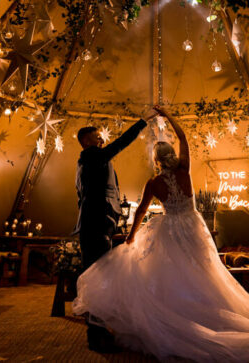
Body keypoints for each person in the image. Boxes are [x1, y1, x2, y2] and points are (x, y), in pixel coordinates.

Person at [73, 105, 249, 362]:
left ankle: (180, 311)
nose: (101, 140)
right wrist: (169, 116)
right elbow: (183, 138)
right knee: (203, 272)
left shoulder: (153, 183)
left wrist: (132, 236)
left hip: (169, 229)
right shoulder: (185, 170)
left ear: (156, 162)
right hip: (193, 227)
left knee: (170, 274)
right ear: (172, 157)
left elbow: (139, 213)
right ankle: (207, 306)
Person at [73, 109, 156, 353]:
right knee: (98, 278)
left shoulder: (88, 162)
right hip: (96, 225)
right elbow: (121, 143)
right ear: (87, 140)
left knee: (97, 277)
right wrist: (142, 121)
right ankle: (96, 335)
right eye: (97, 136)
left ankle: (97, 331)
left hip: (97, 223)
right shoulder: (92, 157)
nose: (102, 139)